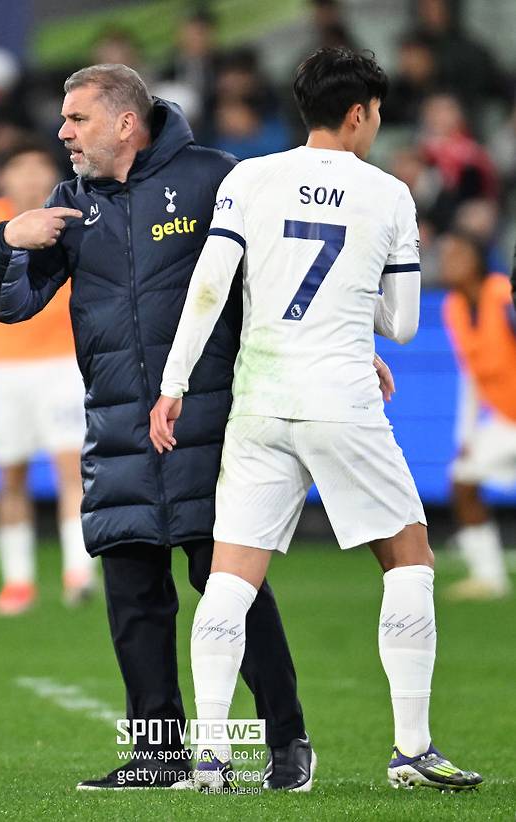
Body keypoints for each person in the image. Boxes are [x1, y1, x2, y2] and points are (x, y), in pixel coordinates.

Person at [150, 47, 482, 792]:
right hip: (341, 399)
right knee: (410, 559)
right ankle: (412, 750)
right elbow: (402, 324)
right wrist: (354, 319)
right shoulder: (388, 193)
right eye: (378, 112)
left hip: (261, 400)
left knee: (231, 578)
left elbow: (210, 285)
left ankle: (210, 756)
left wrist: (174, 384)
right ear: (359, 113)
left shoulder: (248, 178)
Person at [0, 63, 312, 790]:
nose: (63, 133)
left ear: (125, 122)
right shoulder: (69, 206)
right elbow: (9, 307)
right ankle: (158, 758)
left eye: (77, 119)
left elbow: (280, 278)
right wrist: (7, 240)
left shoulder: (215, 178)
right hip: (119, 430)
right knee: (133, 599)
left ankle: (287, 741)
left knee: (229, 585)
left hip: (209, 424)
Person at [0, 138, 94, 615]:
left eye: (39, 167)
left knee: (71, 468)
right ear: (3, 177)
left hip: (62, 360)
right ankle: (17, 583)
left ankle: (79, 573)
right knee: (10, 474)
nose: (31, 177)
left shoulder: (73, 214)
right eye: (20, 167)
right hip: (5, 366)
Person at [440, 230, 514, 599]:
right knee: (462, 479)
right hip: (506, 420)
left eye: (458, 254)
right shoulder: (453, 307)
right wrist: (465, 436)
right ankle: (489, 576)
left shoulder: (503, 295)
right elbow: (470, 376)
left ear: (478, 259)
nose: (448, 262)